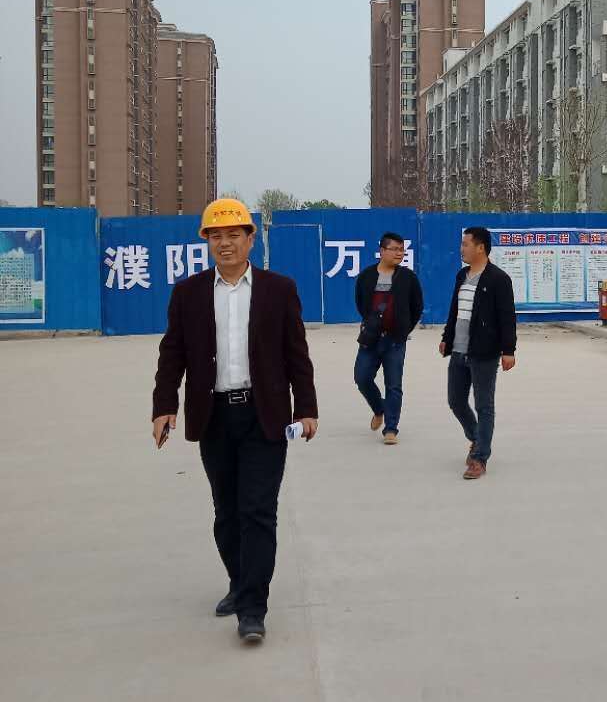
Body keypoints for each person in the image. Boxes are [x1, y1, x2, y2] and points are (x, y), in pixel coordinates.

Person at [151, 198, 318, 644]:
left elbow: (296, 354)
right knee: (226, 513)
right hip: (214, 416)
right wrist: (164, 406)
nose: (224, 243)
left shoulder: (278, 290)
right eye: (215, 236)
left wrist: (306, 408)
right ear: (207, 241)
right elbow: (172, 354)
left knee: (257, 511)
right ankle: (240, 582)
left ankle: (252, 608)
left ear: (250, 239)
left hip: (265, 415)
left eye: (232, 235)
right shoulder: (188, 294)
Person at [439, 225, 517, 480]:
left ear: (480, 247)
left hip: (484, 353)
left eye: (466, 244)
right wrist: (446, 338)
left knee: (484, 406)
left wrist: (508, 350)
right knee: (455, 401)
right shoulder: (462, 276)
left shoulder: (498, 279)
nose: (461, 249)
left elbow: (507, 318)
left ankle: (480, 458)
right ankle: (476, 437)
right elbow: (454, 311)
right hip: (458, 351)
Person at [353, 231, 424, 444]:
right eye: (394, 249)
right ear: (382, 251)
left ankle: (391, 429)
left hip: (395, 340)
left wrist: (404, 329)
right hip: (371, 339)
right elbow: (361, 303)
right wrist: (371, 324)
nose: (399, 253)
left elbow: (417, 306)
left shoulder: (408, 278)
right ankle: (379, 409)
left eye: (402, 249)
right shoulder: (366, 276)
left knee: (393, 385)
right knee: (362, 378)